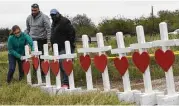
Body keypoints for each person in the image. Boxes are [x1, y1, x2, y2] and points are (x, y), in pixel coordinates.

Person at [50, 9, 76, 88]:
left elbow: (72, 32)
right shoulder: (54, 24)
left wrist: (69, 44)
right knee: (60, 65)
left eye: (54, 15)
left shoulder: (64, 21)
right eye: (51, 15)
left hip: (65, 47)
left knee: (64, 64)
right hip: (57, 47)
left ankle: (66, 83)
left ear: (58, 14)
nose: (53, 16)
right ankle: (64, 83)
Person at [25, 3, 51, 79]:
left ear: (38, 9)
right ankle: (36, 73)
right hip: (32, 40)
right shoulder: (29, 18)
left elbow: (48, 30)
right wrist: (25, 38)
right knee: (34, 57)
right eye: (32, 10)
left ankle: (43, 74)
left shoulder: (44, 17)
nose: (33, 12)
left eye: (35, 10)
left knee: (42, 57)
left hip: (42, 40)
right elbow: (28, 29)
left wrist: (49, 41)